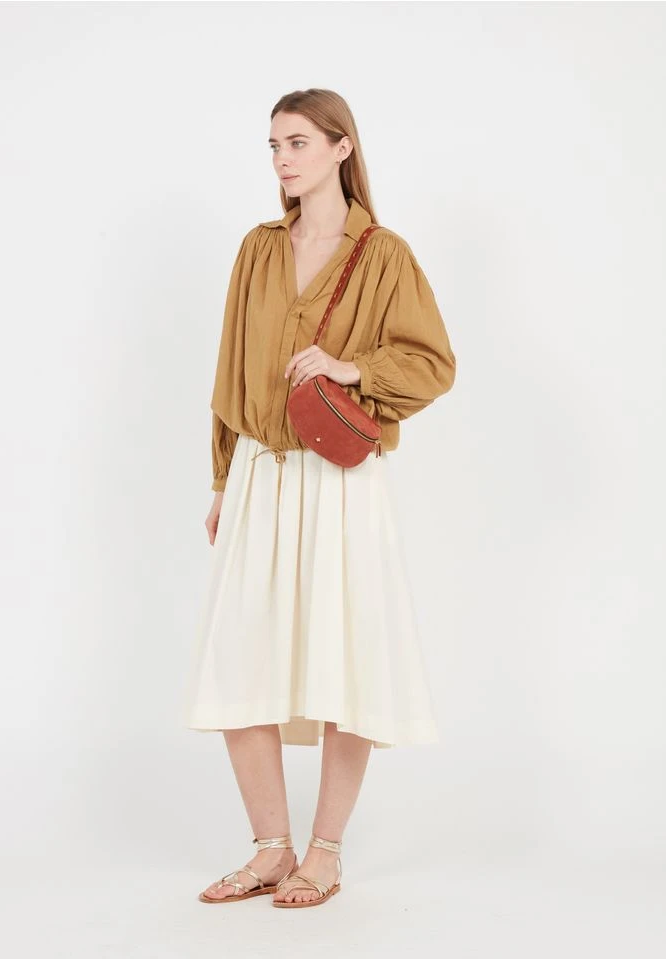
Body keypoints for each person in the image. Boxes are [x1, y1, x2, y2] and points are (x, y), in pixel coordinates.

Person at [183, 88, 456, 909]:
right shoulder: (258, 250)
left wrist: (352, 368)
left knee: (347, 658)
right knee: (239, 656)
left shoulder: (385, 255)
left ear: (342, 147)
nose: (282, 159)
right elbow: (228, 370)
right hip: (261, 471)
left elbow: (433, 364)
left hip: (341, 480)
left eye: (297, 142)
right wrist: (223, 479)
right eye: (273, 146)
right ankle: (271, 848)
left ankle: (325, 853)